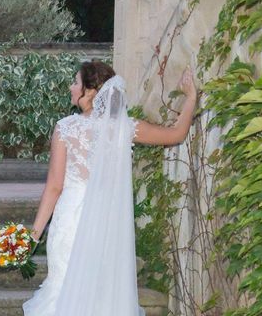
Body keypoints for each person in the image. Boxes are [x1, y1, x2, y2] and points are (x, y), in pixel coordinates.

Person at [23, 60, 197, 315]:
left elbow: (54, 187)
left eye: (76, 82)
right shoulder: (125, 127)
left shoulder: (66, 128)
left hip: (70, 222)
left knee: (63, 291)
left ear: (91, 92)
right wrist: (191, 97)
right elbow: (176, 134)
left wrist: (33, 236)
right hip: (106, 223)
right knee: (103, 295)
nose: (71, 87)